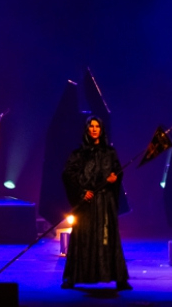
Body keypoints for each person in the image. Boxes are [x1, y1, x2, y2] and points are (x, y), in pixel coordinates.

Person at [61, 117, 130, 290]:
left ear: (101, 129)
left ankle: (119, 278)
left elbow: (117, 171)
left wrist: (115, 178)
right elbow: (68, 175)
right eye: (91, 126)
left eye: (97, 126)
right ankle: (72, 277)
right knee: (82, 237)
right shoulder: (79, 154)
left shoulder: (110, 153)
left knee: (108, 237)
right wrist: (82, 192)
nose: (94, 129)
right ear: (87, 129)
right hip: (87, 202)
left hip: (105, 202)